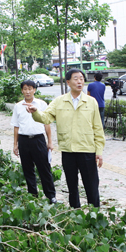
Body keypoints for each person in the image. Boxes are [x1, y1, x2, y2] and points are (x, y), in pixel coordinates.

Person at [26, 69, 105, 208]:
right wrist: (35, 112)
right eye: (76, 78)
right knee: (72, 186)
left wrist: (99, 151)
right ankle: (75, 212)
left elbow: (98, 128)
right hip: (68, 150)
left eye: (81, 78)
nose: (79, 81)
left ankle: (95, 214)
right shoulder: (59, 101)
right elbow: (46, 117)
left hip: (87, 149)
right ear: (68, 82)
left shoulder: (91, 102)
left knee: (91, 186)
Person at [11, 80, 57, 204]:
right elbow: (16, 126)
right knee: (27, 169)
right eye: (25, 89)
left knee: (44, 168)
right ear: (22, 90)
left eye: (30, 89)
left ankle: (51, 195)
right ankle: (33, 195)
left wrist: (50, 142)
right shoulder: (18, 106)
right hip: (24, 140)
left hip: (38, 140)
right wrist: (15, 144)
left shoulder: (41, 104)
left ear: (34, 90)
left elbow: (47, 123)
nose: (27, 91)